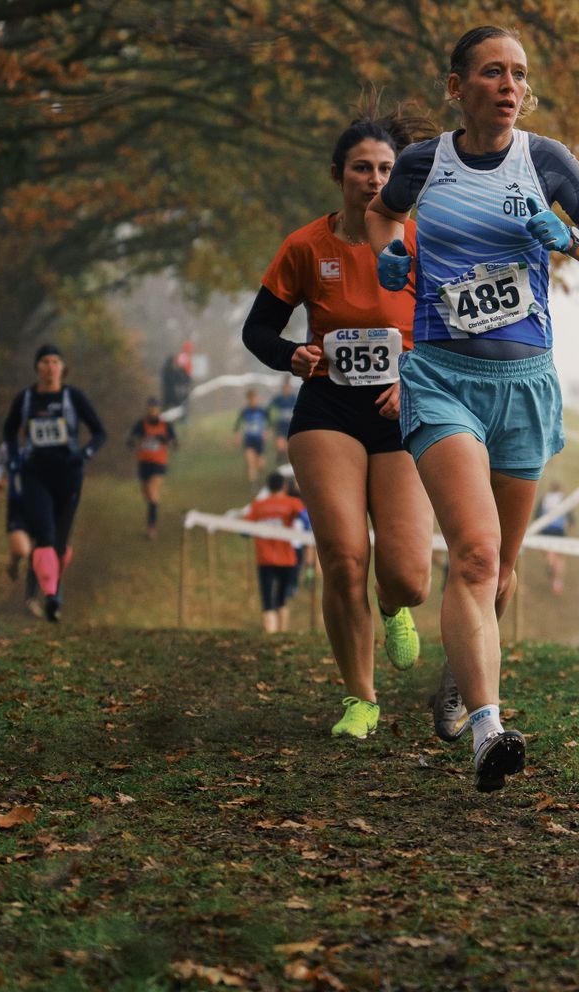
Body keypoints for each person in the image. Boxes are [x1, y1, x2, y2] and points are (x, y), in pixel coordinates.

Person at [368, 25, 579, 792]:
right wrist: (393, 252)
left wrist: (573, 238)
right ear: (459, 87)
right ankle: (489, 729)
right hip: (443, 377)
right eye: (492, 73)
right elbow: (381, 214)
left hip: (525, 385)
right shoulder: (426, 163)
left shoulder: (546, 161)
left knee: (504, 570)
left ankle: (460, 672)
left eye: (518, 74)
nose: (509, 86)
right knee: (476, 553)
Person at [240, 112, 435, 739]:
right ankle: (361, 697)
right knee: (343, 556)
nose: (375, 180)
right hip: (327, 408)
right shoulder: (306, 246)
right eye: (362, 168)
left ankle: (392, 603)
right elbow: (258, 330)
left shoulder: (419, 242)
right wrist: (290, 353)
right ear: (338, 175)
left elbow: (452, 331)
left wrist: (413, 380)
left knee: (407, 573)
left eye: (386, 169)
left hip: (403, 408)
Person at [1, 344, 107, 623]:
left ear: (63, 367)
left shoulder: (73, 397)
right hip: (35, 475)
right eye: (44, 362)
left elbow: (99, 432)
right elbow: (8, 430)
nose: (49, 367)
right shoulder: (25, 399)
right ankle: (48, 596)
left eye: (55, 362)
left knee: (59, 542)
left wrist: (83, 454)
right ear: (37, 368)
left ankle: (51, 594)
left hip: (69, 476)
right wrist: (13, 459)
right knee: (44, 535)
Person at [244, 472, 309, 634]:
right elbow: (307, 521)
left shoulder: (258, 505)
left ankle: (271, 633)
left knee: (267, 600)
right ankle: (282, 633)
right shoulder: (293, 503)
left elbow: (243, 531)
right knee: (282, 598)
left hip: (264, 559)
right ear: (285, 486)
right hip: (287, 558)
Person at [0, 442, 34, 604]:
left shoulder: (43, 444)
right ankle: (14, 564)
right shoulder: (8, 446)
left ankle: (31, 596)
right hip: (17, 505)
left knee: (36, 552)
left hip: (41, 504)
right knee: (25, 551)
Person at [127, 398, 177, 539]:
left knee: (152, 490)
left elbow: (174, 442)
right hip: (143, 463)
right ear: (147, 409)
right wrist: (132, 442)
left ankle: (151, 526)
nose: (152, 411)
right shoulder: (141, 424)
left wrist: (166, 440)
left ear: (159, 410)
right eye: (150, 408)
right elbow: (131, 438)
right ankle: (153, 509)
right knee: (147, 495)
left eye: (155, 408)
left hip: (159, 463)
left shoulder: (166, 425)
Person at [535, 482, 570, 596]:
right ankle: (558, 582)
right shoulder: (563, 499)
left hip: (546, 529)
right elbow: (570, 517)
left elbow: (537, 515)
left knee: (549, 553)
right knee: (560, 557)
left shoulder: (545, 498)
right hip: (559, 530)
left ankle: (550, 563)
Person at [234, 387, 271, 486]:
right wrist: (237, 436)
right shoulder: (244, 411)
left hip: (259, 440)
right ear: (248, 399)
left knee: (260, 464)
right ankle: (253, 484)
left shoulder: (262, 410)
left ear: (257, 398)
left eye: (254, 398)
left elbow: (269, 422)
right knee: (251, 463)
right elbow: (237, 425)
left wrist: (266, 432)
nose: (253, 401)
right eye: (251, 399)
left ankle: (266, 476)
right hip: (249, 440)